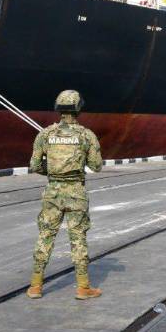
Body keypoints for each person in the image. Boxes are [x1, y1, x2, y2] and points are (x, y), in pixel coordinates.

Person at [27, 89, 104, 300]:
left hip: (52, 191)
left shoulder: (45, 134)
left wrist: (51, 172)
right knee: (78, 237)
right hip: (76, 192)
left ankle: (35, 286)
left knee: (45, 235)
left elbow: (34, 165)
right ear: (79, 109)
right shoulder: (87, 135)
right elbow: (96, 166)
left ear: (58, 108)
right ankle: (83, 287)